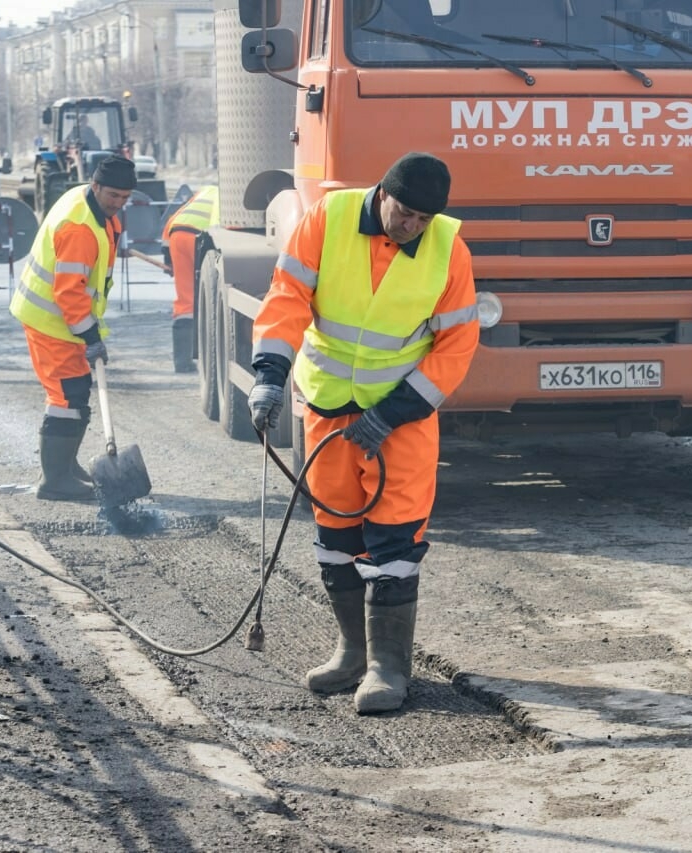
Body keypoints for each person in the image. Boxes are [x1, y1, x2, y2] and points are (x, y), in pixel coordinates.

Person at [247, 152, 479, 714]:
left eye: (424, 220)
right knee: (336, 535)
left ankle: (388, 668)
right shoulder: (329, 218)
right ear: (383, 194)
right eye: (405, 214)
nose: (412, 227)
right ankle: (352, 652)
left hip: (401, 420)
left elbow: (457, 347)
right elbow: (286, 301)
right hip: (329, 407)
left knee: (395, 543)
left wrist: (393, 412)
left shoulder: (449, 247)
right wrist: (269, 377)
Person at [10, 155, 135, 501]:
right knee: (67, 396)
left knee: (76, 391)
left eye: (125, 198)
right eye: (113, 196)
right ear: (95, 186)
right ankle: (54, 480)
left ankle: (66, 466)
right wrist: (91, 335)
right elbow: (69, 292)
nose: (118, 204)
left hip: (65, 323)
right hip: (51, 321)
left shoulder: (91, 206)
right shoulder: (79, 227)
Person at [161, 185, 220, 373]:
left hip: (177, 235)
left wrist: (169, 259)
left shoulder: (203, 193)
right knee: (210, 294)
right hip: (201, 239)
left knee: (186, 301)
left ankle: (183, 362)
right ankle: (206, 355)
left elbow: (173, 219)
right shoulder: (225, 196)